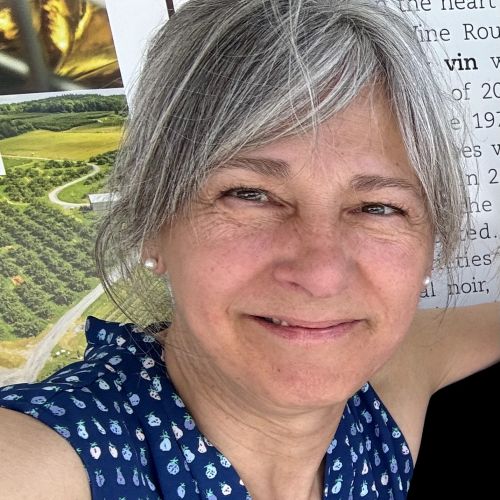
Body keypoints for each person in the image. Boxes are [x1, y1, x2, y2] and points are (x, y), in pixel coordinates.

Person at [0, 1, 498, 499]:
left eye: (378, 207)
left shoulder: (387, 384)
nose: (322, 274)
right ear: (152, 222)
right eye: (249, 194)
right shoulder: (44, 463)